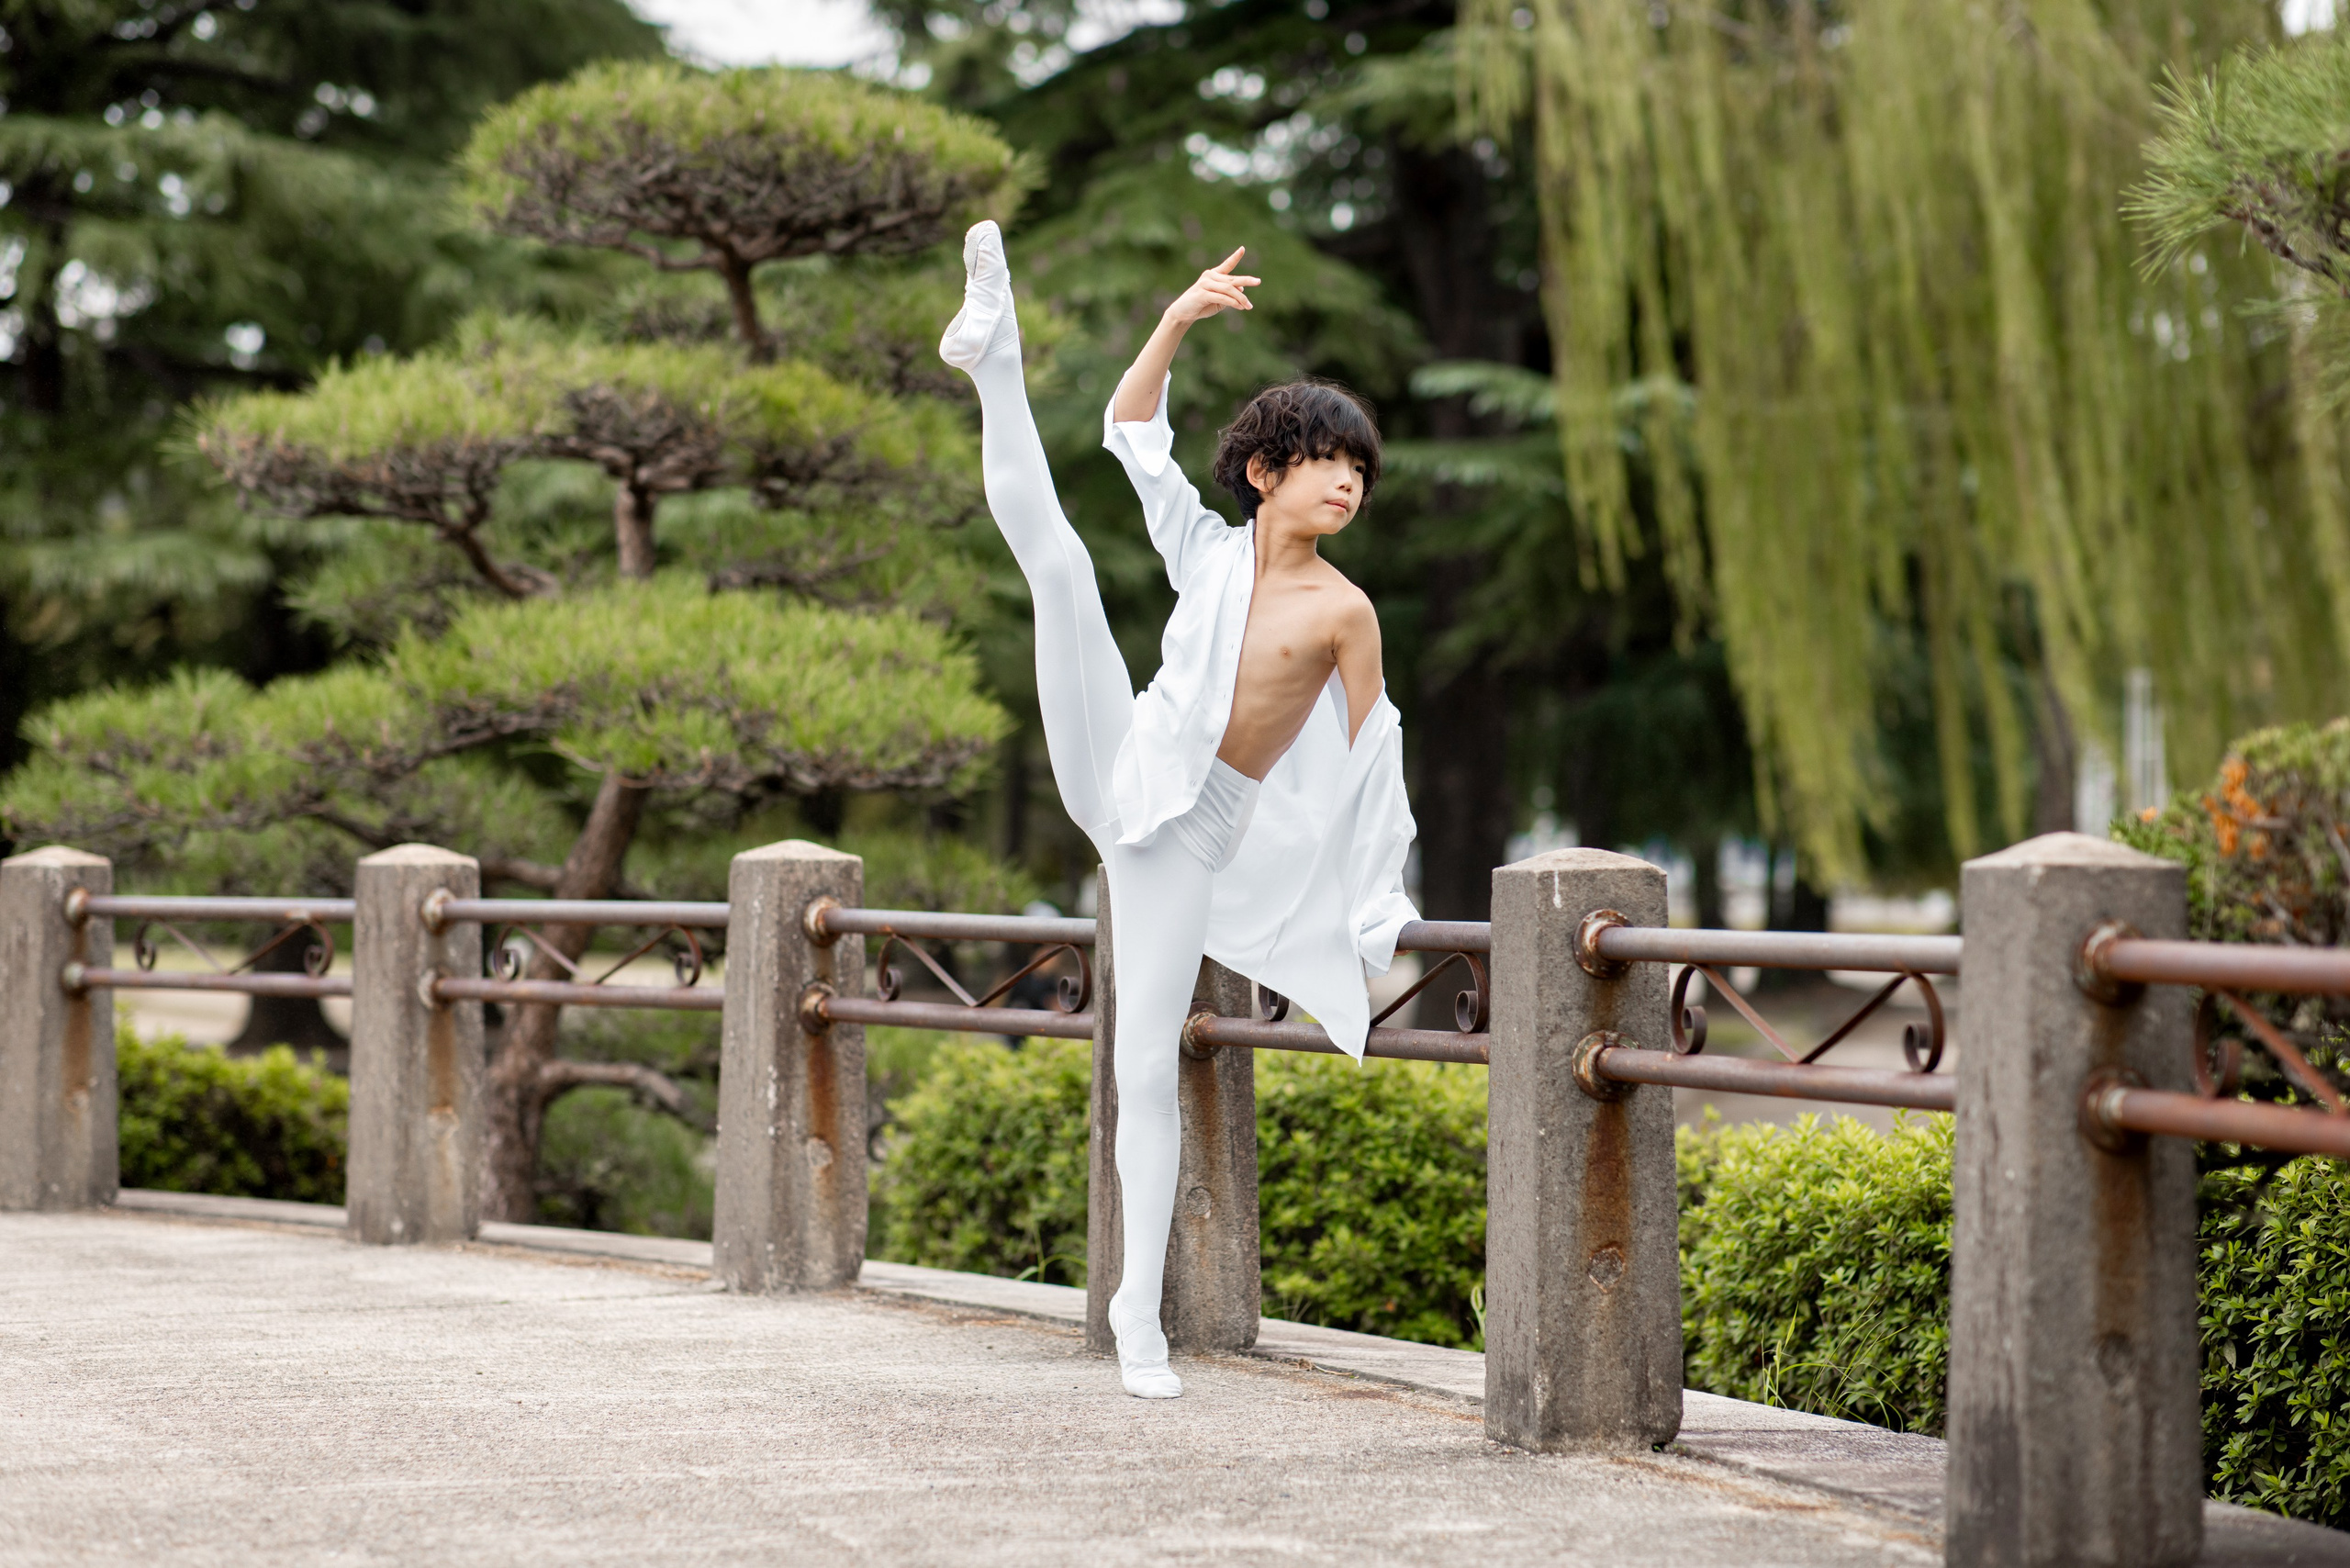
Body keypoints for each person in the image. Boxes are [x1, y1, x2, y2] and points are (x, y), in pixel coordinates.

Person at [940, 221, 1418, 1400]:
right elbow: (1131, 432)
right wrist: (1173, 320)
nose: (1347, 481)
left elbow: (1374, 755)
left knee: (1145, 1067)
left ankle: (1133, 1312)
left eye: (1359, 469)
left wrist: (1379, 904)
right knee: (1057, 567)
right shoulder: (1206, 556)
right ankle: (989, 353)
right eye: (1325, 461)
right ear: (1267, 472)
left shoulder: (1345, 612)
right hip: (1126, 757)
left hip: (1186, 835)